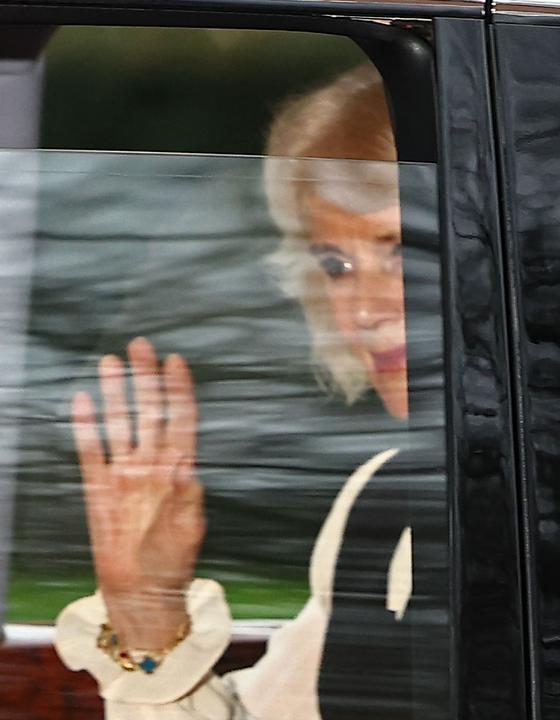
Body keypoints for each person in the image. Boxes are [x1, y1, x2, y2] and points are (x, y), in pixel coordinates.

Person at [52, 63, 436, 719]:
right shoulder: (384, 500)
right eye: (335, 265)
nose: (364, 310)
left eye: (397, 247)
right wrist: (145, 612)